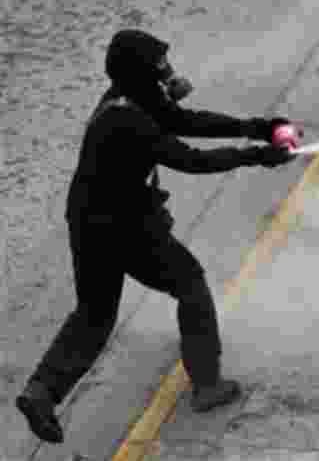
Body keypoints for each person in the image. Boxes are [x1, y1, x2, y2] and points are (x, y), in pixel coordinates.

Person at [16, 29, 300, 444]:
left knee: (94, 314)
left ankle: (41, 392)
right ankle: (207, 385)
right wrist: (258, 155)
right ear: (141, 71)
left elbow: (186, 120)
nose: (167, 70)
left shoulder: (126, 100)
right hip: (124, 227)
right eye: (159, 64)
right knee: (190, 284)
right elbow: (191, 159)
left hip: (88, 220)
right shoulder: (128, 121)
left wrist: (260, 128)